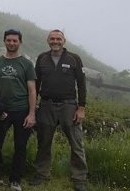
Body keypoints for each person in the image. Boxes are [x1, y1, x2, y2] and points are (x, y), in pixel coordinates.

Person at [31, 30, 88, 191]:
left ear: (64, 41)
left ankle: (80, 178)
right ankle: (42, 174)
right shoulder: (42, 58)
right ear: (48, 40)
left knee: (76, 143)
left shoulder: (74, 59)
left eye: (58, 39)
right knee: (44, 142)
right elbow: (35, 84)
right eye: (52, 39)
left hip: (69, 105)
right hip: (46, 105)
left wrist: (81, 108)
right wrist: (34, 105)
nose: (55, 41)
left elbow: (82, 85)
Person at [0, 29, 36, 191]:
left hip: (21, 110)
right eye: (9, 40)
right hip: (2, 110)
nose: (11, 43)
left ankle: (16, 180)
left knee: (20, 145)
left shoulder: (26, 64)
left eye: (15, 40)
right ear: (4, 41)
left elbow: (32, 90)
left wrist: (32, 114)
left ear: (20, 42)